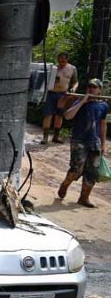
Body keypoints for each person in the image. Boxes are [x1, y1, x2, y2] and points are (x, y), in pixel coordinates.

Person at [58, 78, 108, 208]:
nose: (91, 89)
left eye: (94, 87)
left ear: (99, 90)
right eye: (89, 86)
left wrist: (103, 143)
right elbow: (68, 116)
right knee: (76, 169)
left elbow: (103, 125)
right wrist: (82, 101)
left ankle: (84, 198)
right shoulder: (79, 101)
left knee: (91, 172)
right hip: (79, 140)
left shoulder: (103, 105)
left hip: (95, 141)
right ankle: (65, 184)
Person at [43, 53, 79, 144]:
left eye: (63, 61)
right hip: (52, 93)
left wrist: (73, 88)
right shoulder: (53, 68)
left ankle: (56, 136)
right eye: (59, 61)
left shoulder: (72, 68)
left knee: (59, 115)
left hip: (63, 94)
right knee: (48, 115)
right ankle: (45, 137)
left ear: (67, 60)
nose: (61, 63)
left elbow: (75, 82)